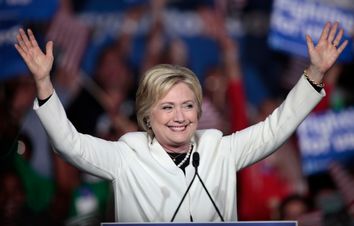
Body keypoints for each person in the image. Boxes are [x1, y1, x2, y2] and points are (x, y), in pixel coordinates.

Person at [15, 21, 348, 222]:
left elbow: (276, 128)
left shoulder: (219, 148)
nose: (180, 117)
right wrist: (44, 82)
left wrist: (315, 73)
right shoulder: (127, 154)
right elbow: (68, 143)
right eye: (168, 107)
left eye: (188, 105)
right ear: (147, 115)